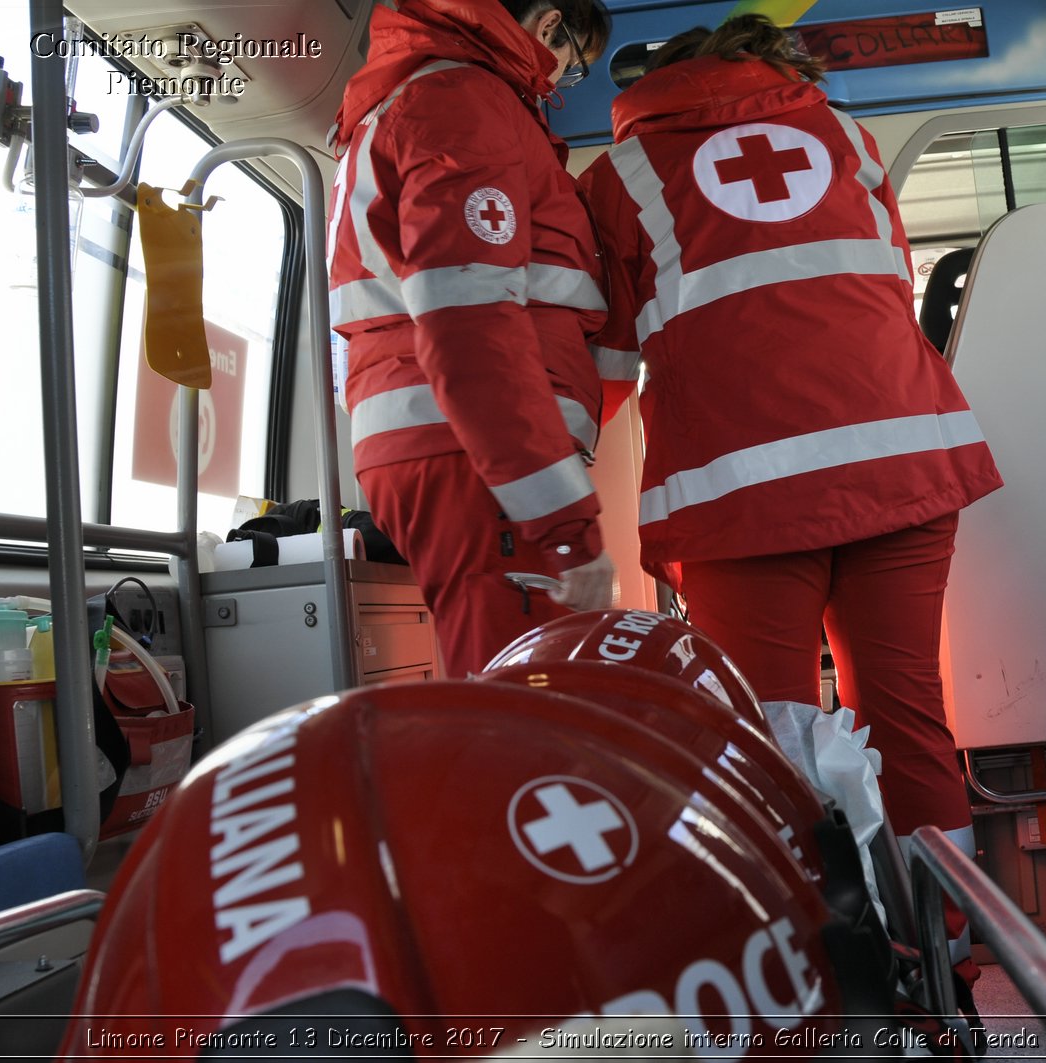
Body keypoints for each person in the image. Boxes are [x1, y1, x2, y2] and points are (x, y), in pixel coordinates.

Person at [578, 14, 1003, 987]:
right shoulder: (847, 136)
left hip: (745, 494)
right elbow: (877, 289)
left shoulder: (621, 179)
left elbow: (604, 364)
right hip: (901, 464)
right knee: (904, 720)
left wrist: (547, 482)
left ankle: (810, 980)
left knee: (768, 739)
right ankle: (946, 963)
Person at [327, 0, 615, 677]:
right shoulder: (465, 101)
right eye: (570, 69)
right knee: (527, 708)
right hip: (473, 452)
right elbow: (470, 328)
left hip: (438, 443)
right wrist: (565, 524)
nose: (556, 84)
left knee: (498, 688)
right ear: (549, 27)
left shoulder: (404, 98)